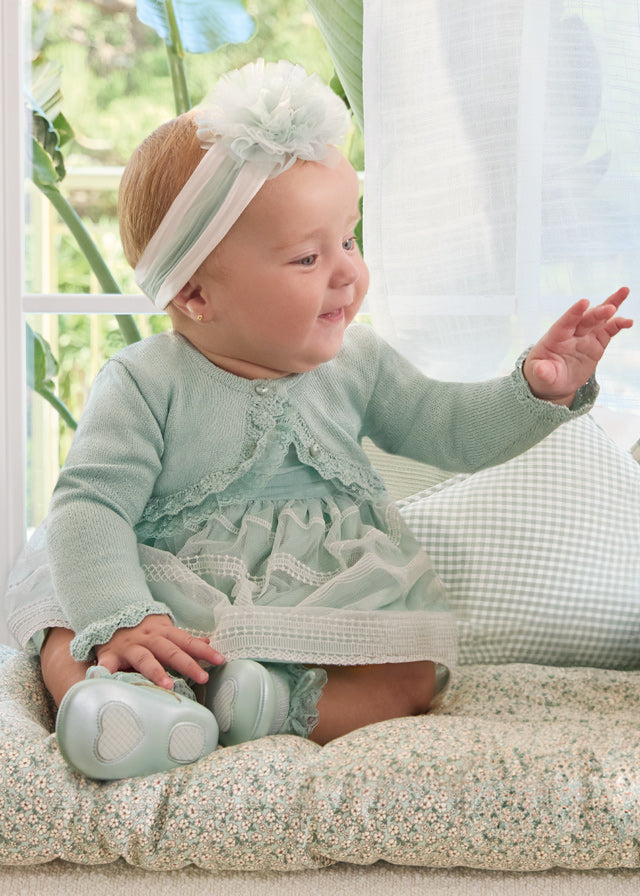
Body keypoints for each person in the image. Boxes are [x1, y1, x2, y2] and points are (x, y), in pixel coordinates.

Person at [6, 59, 632, 781]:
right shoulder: (145, 382)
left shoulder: (358, 363)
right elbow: (90, 505)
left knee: (414, 676)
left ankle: (267, 705)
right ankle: (112, 703)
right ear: (196, 294)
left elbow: (447, 429)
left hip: (314, 595)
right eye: (308, 255)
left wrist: (534, 388)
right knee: (64, 623)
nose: (347, 273)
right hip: (165, 592)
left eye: (350, 240)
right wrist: (122, 616)